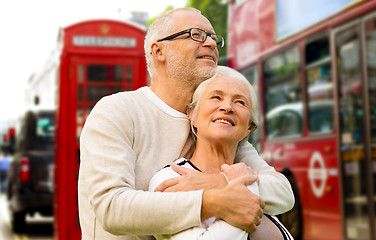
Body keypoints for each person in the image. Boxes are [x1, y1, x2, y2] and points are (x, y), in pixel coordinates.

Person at [78, 7, 294, 240]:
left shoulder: (214, 124)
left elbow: (282, 192)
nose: (211, 43)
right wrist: (213, 201)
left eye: (213, 38)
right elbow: (111, 208)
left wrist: (217, 181)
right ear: (159, 51)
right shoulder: (118, 111)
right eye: (196, 35)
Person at [149, 66, 293, 240]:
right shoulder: (171, 178)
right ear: (192, 114)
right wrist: (244, 189)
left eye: (240, 102)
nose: (227, 107)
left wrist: (226, 182)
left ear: (249, 127)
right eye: (216, 97)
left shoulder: (248, 172)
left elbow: (285, 196)